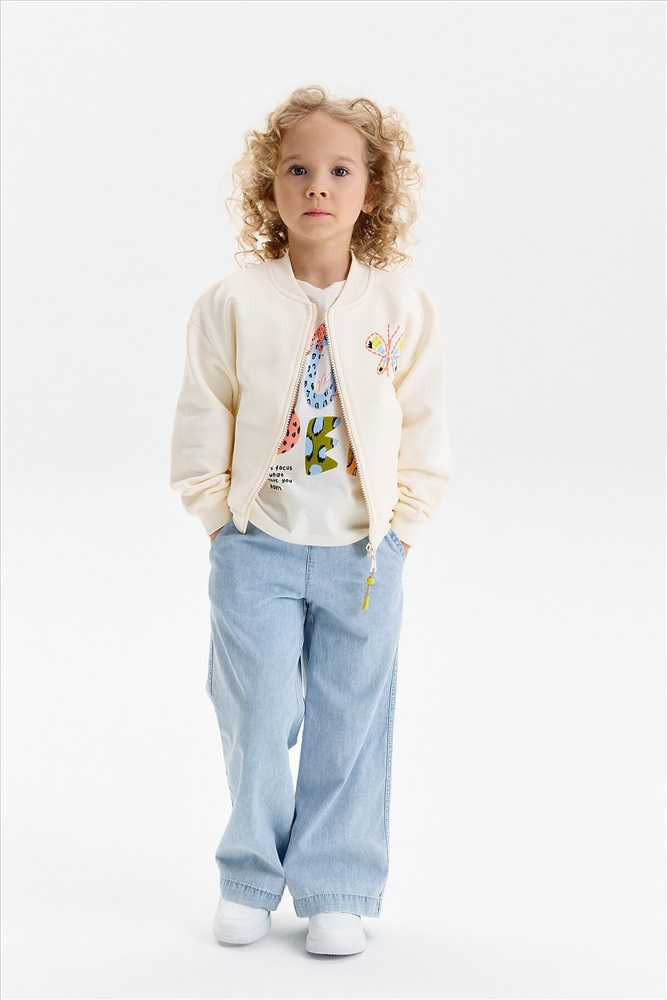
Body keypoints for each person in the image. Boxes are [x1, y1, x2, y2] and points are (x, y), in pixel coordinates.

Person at [169, 84, 452, 956]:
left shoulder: (399, 306)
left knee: (350, 719)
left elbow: (425, 422)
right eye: (296, 169)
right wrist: (217, 519)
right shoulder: (233, 301)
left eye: (339, 170)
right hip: (255, 546)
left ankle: (336, 886)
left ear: (372, 191)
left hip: (363, 555)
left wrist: (402, 527)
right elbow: (203, 412)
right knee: (255, 714)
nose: (317, 185)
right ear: (271, 188)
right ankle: (249, 876)